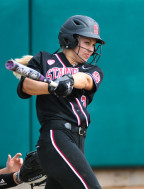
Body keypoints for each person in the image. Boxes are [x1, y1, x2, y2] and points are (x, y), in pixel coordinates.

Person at [17, 15, 105, 189]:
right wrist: (51, 87)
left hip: (78, 140)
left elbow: (86, 80)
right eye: (87, 42)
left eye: (93, 45)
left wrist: (69, 81)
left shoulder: (91, 69)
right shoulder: (43, 60)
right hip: (56, 136)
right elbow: (26, 86)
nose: (91, 49)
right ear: (69, 39)